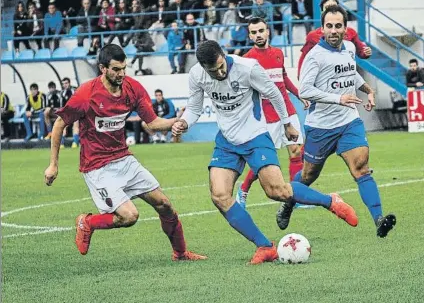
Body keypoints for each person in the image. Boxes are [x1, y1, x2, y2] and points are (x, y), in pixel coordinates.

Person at [172, 40, 358, 264]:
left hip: (255, 136)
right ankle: (265, 246)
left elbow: (274, 93)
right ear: (203, 67)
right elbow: (194, 108)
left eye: (222, 66)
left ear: (224, 55)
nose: (220, 73)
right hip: (227, 141)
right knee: (220, 196)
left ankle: (330, 201)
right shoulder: (196, 75)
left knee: (277, 191)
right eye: (214, 71)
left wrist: (288, 123)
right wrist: (184, 123)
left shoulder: (247, 68)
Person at [44, 44, 206, 261]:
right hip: (97, 167)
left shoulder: (133, 88)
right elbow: (59, 124)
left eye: (124, 68)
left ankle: (181, 253)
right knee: (129, 216)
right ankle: (87, 222)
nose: (122, 74)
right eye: (116, 69)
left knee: (165, 205)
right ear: (102, 68)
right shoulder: (86, 94)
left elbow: (152, 123)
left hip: (124, 159)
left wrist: (177, 122)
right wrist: (53, 164)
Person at [278, 5, 396, 238]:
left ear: (345, 28)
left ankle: (379, 219)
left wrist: (367, 89)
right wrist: (338, 98)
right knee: (308, 176)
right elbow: (305, 90)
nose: (333, 30)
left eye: (338, 26)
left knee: (361, 167)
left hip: (349, 122)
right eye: (329, 26)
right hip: (321, 127)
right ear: (322, 29)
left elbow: (350, 72)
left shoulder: (350, 48)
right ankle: (288, 203)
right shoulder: (315, 56)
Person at [236, 17, 309, 208]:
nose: (258, 35)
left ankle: (296, 198)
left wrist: (299, 95)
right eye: (254, 32)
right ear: (250, 35)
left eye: (261, 30)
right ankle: (243, 190)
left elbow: (283, 78)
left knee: (295, 152)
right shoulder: (246, 60)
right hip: (266, 117)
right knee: (263, 160)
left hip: (287, 110)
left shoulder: (278, 53)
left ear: (268, 31)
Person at [297, 0, 372, 79]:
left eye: (334, 7)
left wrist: (366, 52)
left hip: (345, 80)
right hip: (323, 81)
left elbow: (361, 51)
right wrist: (301, 75)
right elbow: (304, 57)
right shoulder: (312, 36)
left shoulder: (351, 32)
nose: (331, 11)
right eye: (327, 8)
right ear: (322, 13)